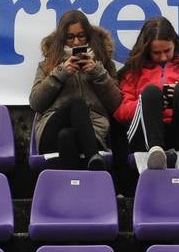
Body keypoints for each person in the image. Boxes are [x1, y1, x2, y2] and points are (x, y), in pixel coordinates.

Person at [114, 17, 179, 170]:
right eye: (156, 53)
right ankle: (155, 151)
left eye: (167, 50)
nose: (162, 57)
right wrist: (150, 103)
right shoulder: (133, 71)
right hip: (146, 134)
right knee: (151, 92)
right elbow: (121, 112)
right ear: (147, 49)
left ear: (175, 43)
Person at [29, 11, 121, 170]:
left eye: (81, 36)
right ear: (62, 39)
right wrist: (60, 74)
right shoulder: (48, 64)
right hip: (51, 131)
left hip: (93, 132)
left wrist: (98, 73)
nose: (76, 42)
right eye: (70, 37)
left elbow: (116, 104)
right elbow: (36, 103)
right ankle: (94, 157)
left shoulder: (103, 63)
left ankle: (73, 189)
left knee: (67, 136)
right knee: (76, 104)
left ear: (89, 36)